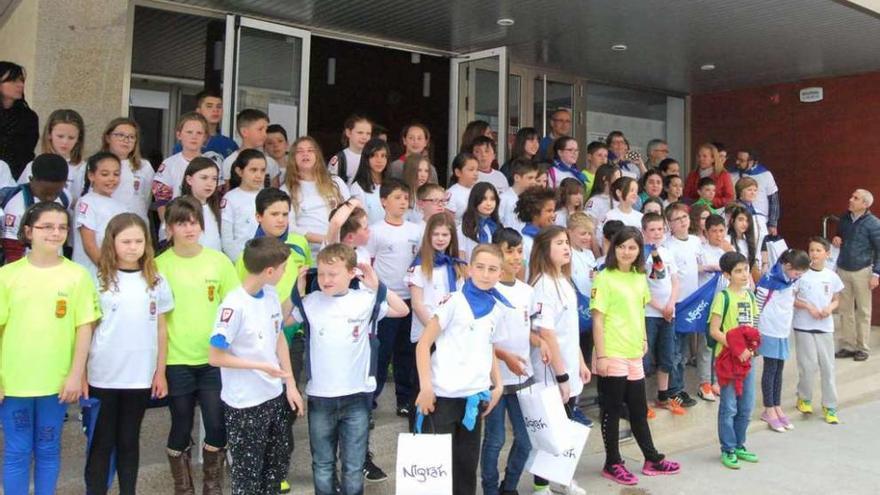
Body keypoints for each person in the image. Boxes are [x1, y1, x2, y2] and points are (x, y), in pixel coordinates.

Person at [291, 243, 407, 495]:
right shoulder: (311, 302)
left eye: (333, 274)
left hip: (356, 396)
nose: (325, 280)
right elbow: (282, 320)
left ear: (352, 273)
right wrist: (297, 293)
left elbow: (402, 309)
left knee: (353, 467)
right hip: (320, 397)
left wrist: (377, 286)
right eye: (321, 274)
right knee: (322, 464)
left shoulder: (364, 301)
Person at [0, 201, 99, 495]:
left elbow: (85, 327)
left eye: (61, 227)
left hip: (56, 382)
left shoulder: (77, 275)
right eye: (47, 227)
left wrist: (75, 374)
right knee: (16, 450)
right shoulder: (7, 275)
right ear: (28, 231)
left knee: (48, 447)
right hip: (14, 381)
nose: (55, 233)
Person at [209, 237, 304, 494]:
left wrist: (290, 383)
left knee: (274, 468)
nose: (286, 272)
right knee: (247, 475)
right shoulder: (234, 305)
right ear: (270, 271)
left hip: (273, 395)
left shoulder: (271, 294)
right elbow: (215, 356)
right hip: (245, 403)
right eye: (284, 268)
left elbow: (279, 336)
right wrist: (259, 366)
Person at [156, 197, 239, 495]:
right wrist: (159, 369)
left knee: (217, 424)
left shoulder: (218, 261)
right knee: (180, 426)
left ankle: (212, 485)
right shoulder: (158, 266)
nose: (189, 228)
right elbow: (158, 321)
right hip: (177, 360)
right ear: (169, 229)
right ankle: (183, 487)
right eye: (181, 222)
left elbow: (233, 308)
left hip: (214, 360)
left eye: (194, 222)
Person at [85, 213, 173, 495]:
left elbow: (161, 328)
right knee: (101, 441)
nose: (132, 247)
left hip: (139, 374)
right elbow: (88, 329)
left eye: (138, 241)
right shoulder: (98, 280)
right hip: (104, 374)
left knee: (129, 439)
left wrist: (160, 372)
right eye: (126, 241)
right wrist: (82, 372)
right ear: (112, 242)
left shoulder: (156, 280)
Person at [414, 244, 507, 495]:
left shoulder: (497, 309)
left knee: (466, 470)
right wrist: (426, 387)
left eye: (492, 269)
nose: (486, 274)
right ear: (469, 270)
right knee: (436, 473)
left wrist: (497, 385)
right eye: (480, 267)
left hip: (473, 400)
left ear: (500, 273)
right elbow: (423, 345)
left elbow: (489, 347)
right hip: (442, 398)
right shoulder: (454, 302)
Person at [591, 226, 680, 485]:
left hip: (633, 353)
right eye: (621, 247)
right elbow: (598, 320)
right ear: (613, 248)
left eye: (632, 247)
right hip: (612, 351)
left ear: (639, 250)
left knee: (639, 410)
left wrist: (642, 339)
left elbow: (639, 311)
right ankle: (613, 462)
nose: (626, 252)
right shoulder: (604, 277)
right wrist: (602, 357)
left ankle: (652, 458)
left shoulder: (640, 277)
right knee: (612, 409)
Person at [529, 225, 591, 495]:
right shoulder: (542, 284)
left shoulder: (564, 281)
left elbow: (569, 330)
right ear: (545, 250)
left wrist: (580, 362)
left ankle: (562, 478)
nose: (566, 247)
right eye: (559, 243)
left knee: (564, 427)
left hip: (569, 365)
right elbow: (547, 333)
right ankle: (542, 485)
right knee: (551, 429)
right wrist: (563, 375)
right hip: (551, 372)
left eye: (567, 242)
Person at [481, 228, 536, 495]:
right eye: (509, 251)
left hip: (522, 376)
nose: (515, 257)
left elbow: (527, 329)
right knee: (495, 439)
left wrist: (543, 342)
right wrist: (505, 358)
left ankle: (509, 486)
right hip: (495, 378)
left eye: (519, 251)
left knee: (525, 440)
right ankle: (490, 489)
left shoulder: (527, 291)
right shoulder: (489, 291)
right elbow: (484, 338)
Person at [367, 178, 423, 416]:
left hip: (410, 299)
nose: (403, 202)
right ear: (383, 201)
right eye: (397, 198)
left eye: (405, 198)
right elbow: (368, 264)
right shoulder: (375, 231)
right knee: (381, 352)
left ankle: (405, 399)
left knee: (406, 352)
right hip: (386, 300)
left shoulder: (416, 230)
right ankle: (370, 400)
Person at [710, 251, 760, 470]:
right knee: (729, 406)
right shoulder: (723, 297)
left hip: (747, 359)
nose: (743, 275)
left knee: (747, 404)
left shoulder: (750, 296)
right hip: (728, 359)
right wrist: (737, 348)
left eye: (746, 270)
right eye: (738, 271)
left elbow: (754, 327)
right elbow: (714, 330)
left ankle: (740, 443)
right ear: (727, 274)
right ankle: (728, 447)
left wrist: (751, 348)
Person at [756, 249, 809, 432]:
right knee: (770, 370)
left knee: (779, 369)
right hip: (768, 331)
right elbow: (757, 307)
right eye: (796, 272)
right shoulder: (769, 281)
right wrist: (754, 332)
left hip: (782, 331)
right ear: (786, 266)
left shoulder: (791, 280)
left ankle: (777, 406)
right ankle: (768, 409)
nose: (798, 276)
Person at [793, 237, 844, 424]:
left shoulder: (831, 276)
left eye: (818, 250)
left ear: (827, 254)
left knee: (828, 367)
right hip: (804, 326)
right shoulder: (801, 275)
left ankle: (830, 406)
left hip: (825, 327)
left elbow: (837, 299)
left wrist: (829, 309)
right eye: (811, 250)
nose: (814, 254)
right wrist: (808, 307)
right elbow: (792, 298)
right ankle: (804, 397)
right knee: (808, 365)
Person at [641, 213, 684, 416]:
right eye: (652, 230)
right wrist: (660, 307)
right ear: (644, 232)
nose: (657, 233)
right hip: (650, 313)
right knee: (645, 358)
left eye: (660, 229)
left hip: (668, 313)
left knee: (667, 356)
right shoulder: (641, 256)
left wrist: (671, 304)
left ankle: (663, 396)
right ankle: (640, 400)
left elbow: (675, 281)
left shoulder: (667, 253)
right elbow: (641, 289)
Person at [832, 189, 880, 362]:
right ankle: (847, 345)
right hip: (844, 269)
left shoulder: (874, 223)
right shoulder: (844, 218)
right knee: (845, 310)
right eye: (851, 196)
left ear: (865, 204)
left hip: (863, 271)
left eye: (855, 198)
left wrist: (876, 274)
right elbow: (839, 236)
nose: (850, 199)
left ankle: (862, 347)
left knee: (863, 311)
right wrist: (837, 238)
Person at [282, 136, 350, 258]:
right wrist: (324, 239)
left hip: (338, 252)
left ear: (317, 155)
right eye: (300, 151)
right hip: (306, 255)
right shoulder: (287, 189)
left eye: (310, 150)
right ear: (293, 158)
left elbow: (351, 214)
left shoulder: (336, 182)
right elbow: (289, 227)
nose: (305, 154)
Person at [408, 212, 467, 352]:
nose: (440, 239)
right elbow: (417, 304)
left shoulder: (455, 265)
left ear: (452, 237)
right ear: (428, 236)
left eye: (445, 235)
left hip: (452, 333)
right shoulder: (419, 266)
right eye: (436, 234)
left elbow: (460, 299)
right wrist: (435, 330)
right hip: (427, 333)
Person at [663, 202, 702, 408]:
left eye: (684, 217)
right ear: (670, 224)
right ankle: (674, 389)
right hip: (677, 303)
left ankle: (679, 386)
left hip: (692, 303)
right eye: (677, 219)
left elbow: (698, 265)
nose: (682, 222)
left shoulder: (695, 241)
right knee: (675, 350)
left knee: (684, 350)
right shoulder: (668, 246)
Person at [1, 153, 70, 264]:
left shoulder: (65, 197)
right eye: (45, 193)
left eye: (56, 192)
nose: (50, 198)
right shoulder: (16, 206)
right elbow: (12, 250)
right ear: (31, 179)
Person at [17, 109, 86, 206]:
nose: (65, 142)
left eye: (71, 138)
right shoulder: (34, 166)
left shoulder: (83, 168)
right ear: (49, 134)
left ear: (78, 139)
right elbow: (22, 196)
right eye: (60, 136)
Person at [73, 152, 126, 275]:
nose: (111, 178)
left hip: (114, 273)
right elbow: (89, 245)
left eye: (116, 174)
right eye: (105, 174)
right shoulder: (86, 202)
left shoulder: (121, 207)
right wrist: (106, 270)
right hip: (91, 273)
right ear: (91, 175)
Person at [153, 112, 210, 225]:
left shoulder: (212, 165)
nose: (194, 136)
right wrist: (168, 227)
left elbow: (217, 200)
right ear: (179, 135)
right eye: (189, 132)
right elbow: (161, 201)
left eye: (199, 133)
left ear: (205, 137)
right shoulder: (169, 164)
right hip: (175, 225)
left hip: (205, 227)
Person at [99, 118, 155, 222]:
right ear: (108, 138)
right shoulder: (95, 164)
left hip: (136, 223)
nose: (126, 140)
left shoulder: (144, 166)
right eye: (120, 135)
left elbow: (147, 198)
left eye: (131, 137)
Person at [220, 149, 267, 261]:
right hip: (240, 261)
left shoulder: (268, 196)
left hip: (266, 260)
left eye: (262, 170)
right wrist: (241, 262)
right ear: (239, 171)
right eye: (253, 170)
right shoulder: (230, 198)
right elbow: (226, 239)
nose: (258, 175)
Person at [221, 109, 282, 188]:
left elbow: (275, 193)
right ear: (244, 132)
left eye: (266, 130)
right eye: (260, 129)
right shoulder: (230, 162)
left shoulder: (271, 163)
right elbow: (228, 192)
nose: (265, 134)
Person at [172, 89, 238, 160]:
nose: (215, 110)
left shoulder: (230, 144)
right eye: (209, 106)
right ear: (198, 111)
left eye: (219, 106)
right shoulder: (186, 144)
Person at [0, 61, 39, 179]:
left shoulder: (29, 117)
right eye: (13, 81)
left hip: (17, 178)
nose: (20, 85)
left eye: (21, 80)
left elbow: (28, 152)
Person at [568, 212, 597, 362]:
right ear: (570, 232)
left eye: (589, 234)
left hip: (589, 304)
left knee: (587, 344)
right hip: (574, 305)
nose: (587, 237)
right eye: (583, 233)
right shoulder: (567, 253)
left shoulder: (589, 254)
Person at [731, 150, 780, 236]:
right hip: (739, 222)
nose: (737, 162)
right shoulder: (732, 174)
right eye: (737, 159)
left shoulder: (765, 174)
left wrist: (772, 224)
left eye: (741, 160)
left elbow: (774, 200)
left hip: (761, 222)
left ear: (752, 162)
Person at [179, 157, 223, 251]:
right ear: (189, 180)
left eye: (214, 179)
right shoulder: (179, 207)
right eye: (204, 178)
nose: (210, 183)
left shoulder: (214, 207)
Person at [514, 186, 557, 278]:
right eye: (549, 211)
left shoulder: (552, 238)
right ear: (534, 213)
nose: (553, 215)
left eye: (553, 211)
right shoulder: (524, 243)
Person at [349, 138, 390, 224]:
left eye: (383, 156)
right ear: (366, 158)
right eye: (374, 155)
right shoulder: (357, 187)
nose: (379, 160)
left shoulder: (392, 185)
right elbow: (359, 221)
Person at [458, 182, 501, 262]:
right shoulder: (463, 228)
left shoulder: (496, 226)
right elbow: (461, 259)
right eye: (484, 199)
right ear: (475, 200)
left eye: (492, 199)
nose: (489, 204)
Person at [684, 143, 734, 208]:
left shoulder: (724, 175)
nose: (701, 159)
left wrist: (711, 201)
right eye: (699, 156)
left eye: (704, 156)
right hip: (695, 211)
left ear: (713, 159)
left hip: (717, 213)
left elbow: (730, 199)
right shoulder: (692, 175)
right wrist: (698, 202)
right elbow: (685, 196)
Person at [327, 115, 372, 186]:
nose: (364, 137)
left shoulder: (373, 158)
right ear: (348, 133)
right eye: (360, 132)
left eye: (368, 134)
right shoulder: (340, 160)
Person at [499, 158, 538, 232]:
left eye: (535, 178)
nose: (534, 182)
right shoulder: (503, 199)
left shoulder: (532, 199)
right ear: (517, 177)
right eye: (530, 178)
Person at [446, 152, 479, 224]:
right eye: (471, 170)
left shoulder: (478, 190)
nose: (475, 173)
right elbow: (448, 222)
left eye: (477, 170)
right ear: (458, 172)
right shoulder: (452, 193)